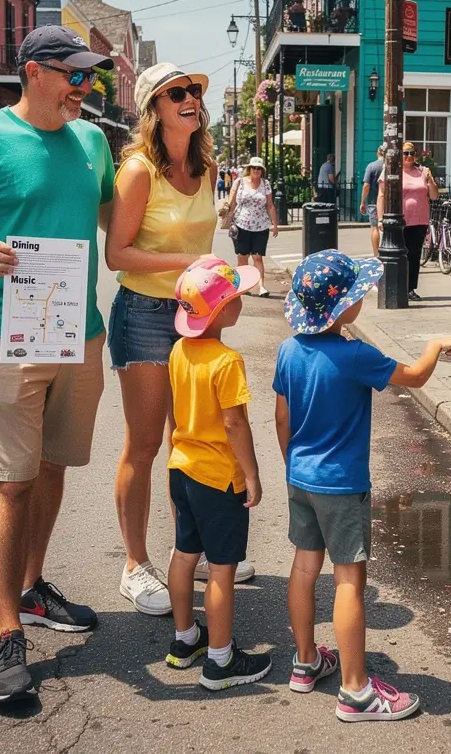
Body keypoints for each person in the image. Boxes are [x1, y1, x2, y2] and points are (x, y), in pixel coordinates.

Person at [0, 25, 117, 705]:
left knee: (55, 465)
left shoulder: (93, 142)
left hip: (80, 333)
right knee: (9, 480)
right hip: (6, 333)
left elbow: (117, 225)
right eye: (75, 75)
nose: (85, 89)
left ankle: (32, 589)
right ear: (35, 71)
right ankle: (7, 630)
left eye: (91, 78)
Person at [273, 250, 451, 721]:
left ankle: (305, 661)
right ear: (342, 308)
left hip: (301, 475)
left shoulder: (289, 350)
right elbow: (414, 376)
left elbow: (282, 416)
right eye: (357, 295)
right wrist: (435, 346)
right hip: (342, 483)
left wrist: (293, 462)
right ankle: (356, 691)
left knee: (302, 569)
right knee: (349, 579)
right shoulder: (356, 354)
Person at [105, 63, 255, 618]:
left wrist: (222, 283)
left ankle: (191, 547)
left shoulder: (209, 166)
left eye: (194, 92)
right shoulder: (138, 170)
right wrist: (189, 261)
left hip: (193, 311)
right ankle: (134, 565)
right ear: (155, 109)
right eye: (177, 94)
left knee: (191, 438)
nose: (191, 99)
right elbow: (116, 254)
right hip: (143, 312)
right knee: (144, 445)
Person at [164, 256, 272, 689]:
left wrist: (175, 447)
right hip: (217, 478)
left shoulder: (178, 351)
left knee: (184, 555)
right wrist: (253, 473)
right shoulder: (226, 361)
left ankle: (184, 639)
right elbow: (234, 423)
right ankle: (220, 661)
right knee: (222, 567)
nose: (241, 302)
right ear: (224, 310)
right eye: (237, 298)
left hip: (182, 469)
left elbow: (175, 411)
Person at [377, 141, 438, 302]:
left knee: (414, 255)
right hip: (399, 221)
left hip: (420, 220)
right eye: (405, 153)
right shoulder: (391, 171)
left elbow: (433, 196)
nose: (409, 156)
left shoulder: (422, 171)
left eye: (412, 153)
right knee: (397, 255)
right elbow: (381, 195)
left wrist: (430, 180)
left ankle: (410, 288)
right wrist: (380, 219)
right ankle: (396, 286)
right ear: (399, 155)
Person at [225, 156, 277, 297]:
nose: (256, 170)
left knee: (258, 257)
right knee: (243, 256)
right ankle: (244, 284)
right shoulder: (239, 182)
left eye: (259, 168)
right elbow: (232, 203)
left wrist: (275, 224)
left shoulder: (265, 184)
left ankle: (261, 286)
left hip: (261, 225)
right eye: (254, 168)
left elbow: (270, 205)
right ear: (249, 169)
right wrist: (227, 217)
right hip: (241, 223)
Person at [359, 144, 386, 258]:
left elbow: (366, 186)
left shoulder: (371, 166)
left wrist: (362, 202)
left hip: (374, 201)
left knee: (375, 228)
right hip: (389, 202)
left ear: (378, 153)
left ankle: (376, 254)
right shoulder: (390, 166)